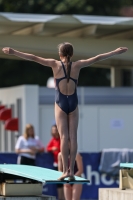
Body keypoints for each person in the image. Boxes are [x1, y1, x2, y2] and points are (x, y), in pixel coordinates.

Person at [2, 44, 128, 180]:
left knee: (63, 137)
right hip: (73, 103)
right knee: (73, 137)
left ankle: (64, 172)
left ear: (59, 53)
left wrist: (13, 52)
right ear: (72, 54)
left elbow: (33, 58)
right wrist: (115, 52)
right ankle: (71, 171)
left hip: (60, 103)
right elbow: (97, 58)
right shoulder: (78, 65)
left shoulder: (54, 64)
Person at [47, 124, 64, 200]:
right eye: (53, 130)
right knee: (59, 182)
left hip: (64, 163)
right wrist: (52, 149)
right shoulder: (53, 140)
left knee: (65, 181)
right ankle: (60, 198)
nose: (54, 131)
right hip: (56, 163)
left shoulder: (62, 138)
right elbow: (47, 148)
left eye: (56, 129)